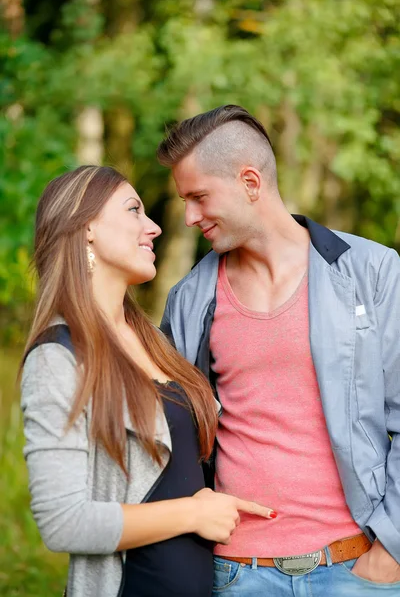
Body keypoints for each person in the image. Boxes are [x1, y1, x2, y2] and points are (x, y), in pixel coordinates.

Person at [157, 105, 400, 596]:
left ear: (251, 181)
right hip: (237, 574)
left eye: (200, 197)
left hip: (357, 569)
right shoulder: (189, 300)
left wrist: (392, 549)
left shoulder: (373, 272)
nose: (188, 217)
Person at [20, 165, 276, 597]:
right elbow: (63, 522)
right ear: (86, 229)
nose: (153, 226)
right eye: (134, 210)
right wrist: (192, 515)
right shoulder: (57, 357)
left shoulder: (156, 342)